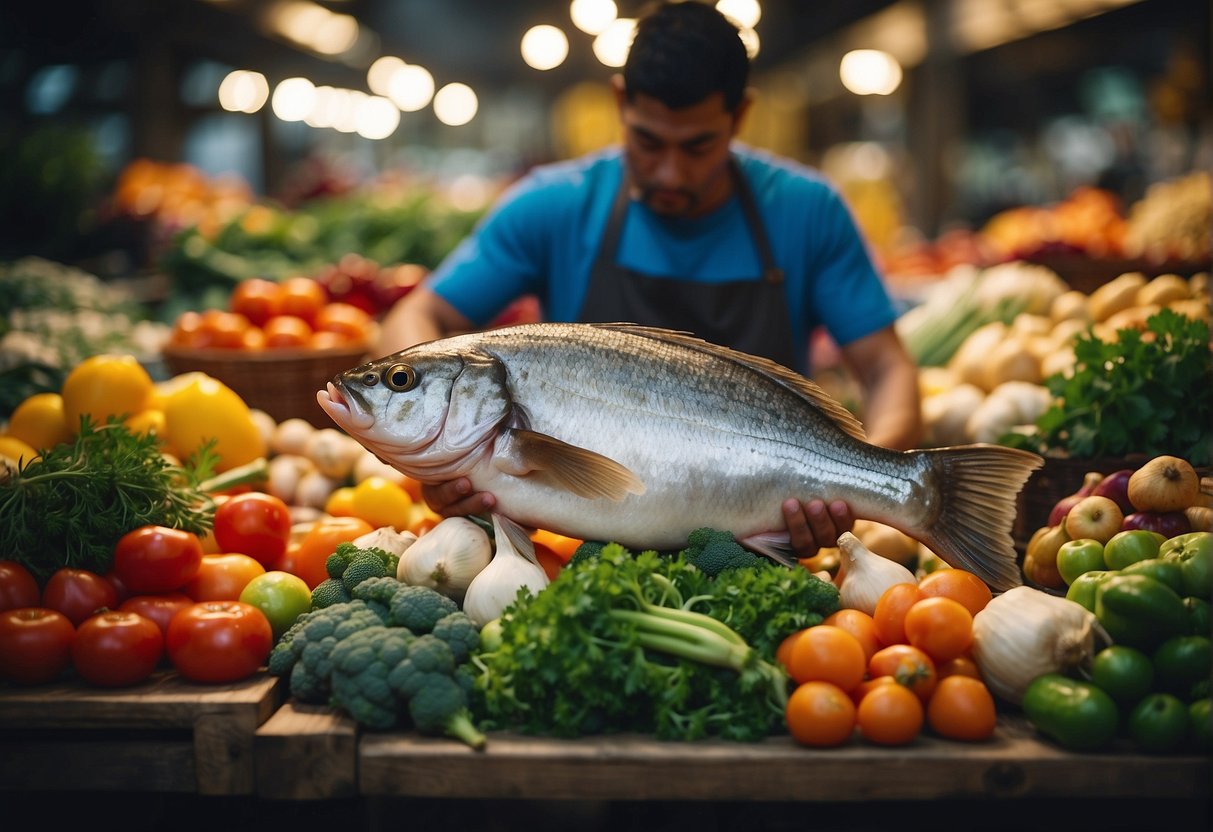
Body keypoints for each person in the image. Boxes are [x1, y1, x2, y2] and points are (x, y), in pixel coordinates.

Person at [376, 1, 922, 558]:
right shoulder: (552, 206)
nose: (670, 172)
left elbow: (886, 368)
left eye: (697, 146)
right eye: (648, 141)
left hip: (755, 541)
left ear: (740, 115)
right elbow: (417, 317)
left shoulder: (808, 210)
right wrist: (437, 445)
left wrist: (872, 483)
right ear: (619, 101)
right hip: (585, 557)